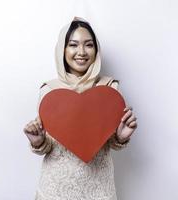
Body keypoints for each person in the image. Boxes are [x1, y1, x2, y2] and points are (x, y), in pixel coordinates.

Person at [23, 17, 137, 200]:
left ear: (96, 50)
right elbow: (49, 145)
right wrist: (38, 141)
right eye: (73, 45)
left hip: (99, 192)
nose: (81, 52)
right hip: (54, 192)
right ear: (63, 49)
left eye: (89, 45)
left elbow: (109, 142)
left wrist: (120, 138)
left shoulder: (110, 89)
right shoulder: (49, 91)